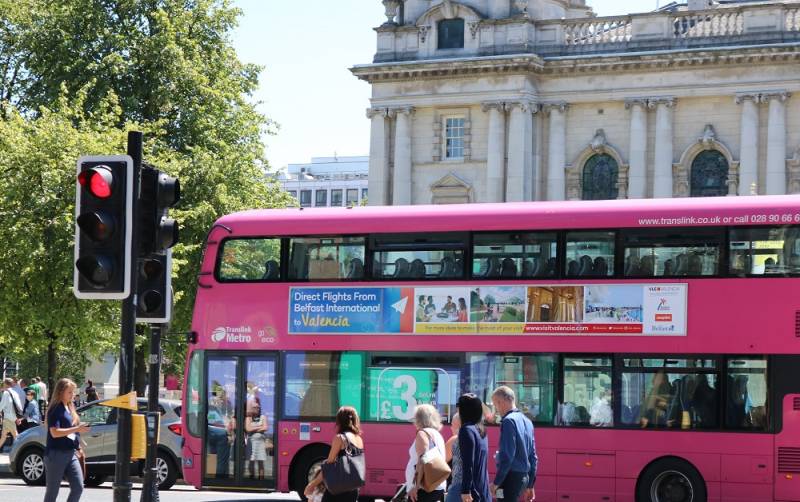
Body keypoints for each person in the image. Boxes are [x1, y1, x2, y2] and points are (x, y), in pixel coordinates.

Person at [304, 406, 364, 502]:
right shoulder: (358, 439)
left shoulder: (340, 438)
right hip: (353, 489)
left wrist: (312, 484)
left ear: (339, 421)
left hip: (339, 488)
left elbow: (329, 465)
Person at [44, 378, 89, 502]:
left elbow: (71, 429)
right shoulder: (55, 409)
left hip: (71, 453)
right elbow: (54, 432)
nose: (72, 395)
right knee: (52, 492)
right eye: (70, 392)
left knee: (78, 487)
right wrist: (76, 429)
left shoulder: (70, 407)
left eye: (73, 392)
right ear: (60, 392)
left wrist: (79, 442)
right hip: (56, 454)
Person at [491, 386, 537, 502]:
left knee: (501, 500)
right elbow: (533, 457)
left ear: (503, 401)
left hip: (509, 479)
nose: (496, 409)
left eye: (496, 404)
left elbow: (507, 456)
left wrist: (497, 482)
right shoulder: (527, 422)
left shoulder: (508, 421)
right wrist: (530, 484)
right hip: (523, 478)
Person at [406, 404, 447, 502]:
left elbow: (422, 460)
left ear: (419, 419)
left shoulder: (422, 433)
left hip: (424, 488)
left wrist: (415, 486)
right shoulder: (437, 434)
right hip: (437, 484)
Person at [456, 393, 490, 502]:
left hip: (473, 491)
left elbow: (468, 463)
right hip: (483, 488)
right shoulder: (481, 429)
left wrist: (466, 490)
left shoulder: (466, 430)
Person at [245, 398, 268, 479]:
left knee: (261, 462)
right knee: (251, 461)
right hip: (251, 442)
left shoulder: (263, 417)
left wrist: (254, 428)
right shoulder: (248, 418)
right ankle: (252, 478)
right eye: (255, 407)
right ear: (251, 408)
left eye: (258, 407)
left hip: (260, 442)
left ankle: (261, 479)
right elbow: (248, 429)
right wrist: (259, 427)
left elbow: (265, 427)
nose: (257, 409)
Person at [0, 378, 22, 451]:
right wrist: (18, 417)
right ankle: (21, 448)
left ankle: (22, 448)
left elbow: (2, 405)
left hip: (8, 417)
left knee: (15, 435)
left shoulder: (6, 393)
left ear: (6, 384)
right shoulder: (15, 392)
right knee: (4, 436)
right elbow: (19, 405)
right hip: (14, 417)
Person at [444, 414, 462, 502]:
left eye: (452, 424)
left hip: (455, 487)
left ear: (459, 425)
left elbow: (441, 462)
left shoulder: (455, 439)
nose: (450, 427)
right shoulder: (477, 437)